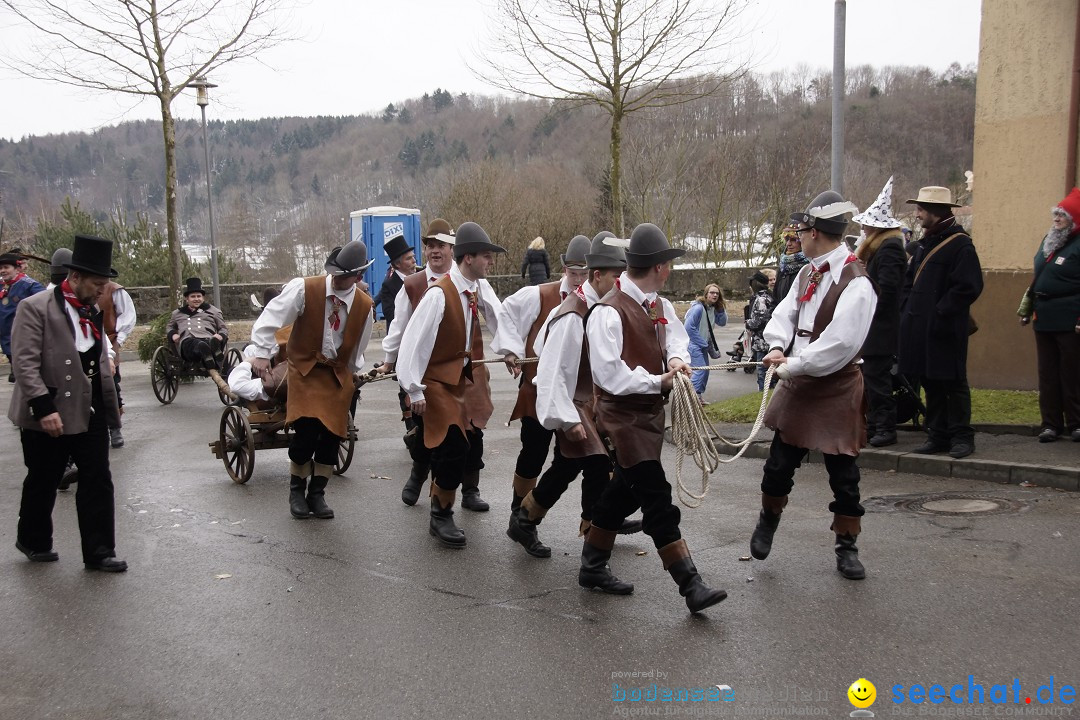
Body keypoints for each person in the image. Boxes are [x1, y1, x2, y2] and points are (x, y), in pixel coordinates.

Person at [578, 223, 727, 614]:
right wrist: (660, 380)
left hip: (646, 416)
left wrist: (677, 359)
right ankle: (690, 585)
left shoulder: (657, 303)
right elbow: (609, 376)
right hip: (621, 418)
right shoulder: (606, 312)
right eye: (669, 264)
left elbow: (675, 337)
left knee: (621, 493)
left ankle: (591, 565)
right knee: (656, 498)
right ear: (660, 267)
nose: (671, 270)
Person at [749, 190, 877, 581]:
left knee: (844, 476)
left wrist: (795, 364)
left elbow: (841, 343)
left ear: (816, 233)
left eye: (801, 231)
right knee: (777, 465)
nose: (797, 237)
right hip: (797, 379)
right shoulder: (807, 271)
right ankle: (768, 519)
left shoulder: (856, 281)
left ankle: (847, 546)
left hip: (834, 384)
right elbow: (785, 313)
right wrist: (775, 346)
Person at [507, 231, 631, 558]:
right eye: (616, 276)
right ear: (597, 275)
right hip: (570, 403)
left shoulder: (598, 306)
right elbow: (545, 361)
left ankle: (538, 520)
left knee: (578, 464)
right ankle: (591, 535)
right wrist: (565, 415)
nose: (620, 283)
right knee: (587, 461)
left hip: (587, 403)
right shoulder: (573, 310)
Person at [10, 234, 126, 571]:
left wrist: (112, 402)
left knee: (98, 478)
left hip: (88, 411)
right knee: (44, 478)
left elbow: (98, 363)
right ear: (74, 278)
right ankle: (32, 540)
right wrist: (44, 407)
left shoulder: (91, 310)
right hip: (46, 411)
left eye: (105, 284)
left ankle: (99, 551)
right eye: (96, 283)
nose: (102, 290)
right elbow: (24, 363)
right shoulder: (34, 308)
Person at [397, 222, 505, 548]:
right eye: (486, 256)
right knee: (453, 444)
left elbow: (499, 317)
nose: (491, 262)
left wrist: (511, 352)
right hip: (433, 382)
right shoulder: (438, 295)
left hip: (456, 380)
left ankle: (440, 504)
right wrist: (413, 388)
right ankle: (440, 514)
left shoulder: (473, 288)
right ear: (468, 258)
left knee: (461, 444)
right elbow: (412, 343)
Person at [250, 240, 375, 519]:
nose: (339, 279)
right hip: (304, 370)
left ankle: (317, 494)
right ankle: (297, 491)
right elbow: (273, 316)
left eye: (347, 276)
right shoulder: (305, 288)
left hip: (336, 373)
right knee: (306, 433)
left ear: (358, 277)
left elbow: (358, 347)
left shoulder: (365, 306)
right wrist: (260, 352)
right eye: (337, 273)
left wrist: (353, 371)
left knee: (332, 437)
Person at [493, 234, 591, 522]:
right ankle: (517, 510)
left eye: (584, 274)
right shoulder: (539, 294)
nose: (578, 280)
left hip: (577, 398)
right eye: (574, 274)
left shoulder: (597, 302)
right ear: (564, 270)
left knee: (588, 457)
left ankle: (598, 518)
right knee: (533, 454)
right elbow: (506, 312)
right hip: (536, 391)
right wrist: (512, 348)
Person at [378, 219, 459, 506]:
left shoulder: (465, 281)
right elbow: (399, 327)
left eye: (441, 246)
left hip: (460, 370)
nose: (435, 251)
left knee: (467, 434)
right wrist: (390, 361)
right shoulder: (411, 285)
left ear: (452, 250)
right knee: (428, 430)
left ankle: (470, 491)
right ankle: (417, 475)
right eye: (430, 246)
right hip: (425, 370)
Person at [899, 186, 983, 459]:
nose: (918, 213)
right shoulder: (925, 243)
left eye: (922, 209)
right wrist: (908, 308)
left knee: (953, 383)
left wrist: (940, 312)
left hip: (945, 329)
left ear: (935, 211)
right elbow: (909, 281)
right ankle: (937, 434)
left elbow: (968, 286)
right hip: (920, 328)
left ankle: (961, 437)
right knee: (930, 381)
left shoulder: (960, 244)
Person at [1018, 187, 1080, 442]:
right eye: (1055, 215)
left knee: (1072, 372)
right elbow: (1039, 277)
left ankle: (1076, 423)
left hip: (1070, 318)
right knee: (1048, 373)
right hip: (1043, 316)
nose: (1056, 219)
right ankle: (1050, 424)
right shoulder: (1050, 240)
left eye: (1062, 215)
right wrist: (1028, 307)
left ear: (1075, 220)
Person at [852, 176, 908, 448]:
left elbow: (886, 291)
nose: (862, 227)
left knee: (878, 379)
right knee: (871, 378)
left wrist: (866, 307)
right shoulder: (883, 249)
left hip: (880, 328)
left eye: (865, 223)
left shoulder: (890, 250)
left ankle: (884, 427)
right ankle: (875, 424)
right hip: (874, 327)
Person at [375, 232, 420, 446]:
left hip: (423, 340)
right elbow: (394, 319)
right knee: (405, 386)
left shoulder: (420, 278)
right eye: (410, 258)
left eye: (413, 257)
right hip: (404, 343)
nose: (414, 261)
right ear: (398, 264)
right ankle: (411, 427)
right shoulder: (389, 287)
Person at [167, 277, 231, 396]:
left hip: (208, 338)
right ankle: (209, 352)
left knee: (208, 341)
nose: (196, 299)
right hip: (187, 343)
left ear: (203, 297)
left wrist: (220, 336)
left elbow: (223, 328)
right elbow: (169, 327)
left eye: (198, 296)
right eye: (193, 296)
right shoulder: (178, 313)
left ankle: (213, 351)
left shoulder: (214, 311)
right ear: (187, 299)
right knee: (196, 344)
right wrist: (173, 334)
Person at [1, 249, 45, 382]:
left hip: (23, 339)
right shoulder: (2, 285)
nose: (2, 271)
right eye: (0, 268)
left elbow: (44, 302)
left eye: (6, 267)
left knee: (25, 377)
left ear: (17, 269)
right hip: (6, 339)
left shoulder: (29, 285)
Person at [682, 282, 727, 404]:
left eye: (717, 293)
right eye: (712, 293)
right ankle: (691, 397)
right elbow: (688, 327)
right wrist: (702, 342)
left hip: (702, 345)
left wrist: (721, 309)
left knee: (705, 371)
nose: (715, 295)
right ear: (706, 294)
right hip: (694, 345)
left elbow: (722, 322)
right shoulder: (698, 308)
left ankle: (698, 396)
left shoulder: (712, 308)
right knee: (700, 370)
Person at [745, 268, 776, 391]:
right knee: (770, 370)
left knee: (763, 370)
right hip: (768, 339)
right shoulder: (769, 296)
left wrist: (748, 324)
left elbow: (759, 320)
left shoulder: (761, 299)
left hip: (762, 341)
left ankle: (764, 393)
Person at [774, 224, 809, 304]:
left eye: (793, 240)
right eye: (787, 239)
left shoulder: (809, 267)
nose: (788, 244)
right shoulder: (783, 268)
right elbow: (775, 298)